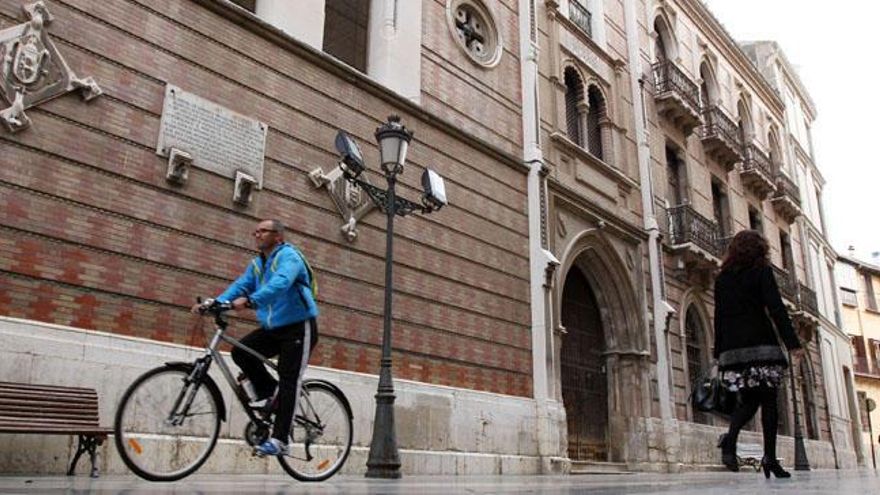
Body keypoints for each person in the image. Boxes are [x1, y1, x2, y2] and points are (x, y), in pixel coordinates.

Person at [193, 219, 318, 457]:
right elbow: (240, 286)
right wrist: (214, 303)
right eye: (256, 231)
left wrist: (252, 301)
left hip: (299, 327)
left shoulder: (289, 257)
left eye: (263, 231)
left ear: (278, 237)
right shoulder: (258, 264)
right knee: (241, 352)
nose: (257, 234)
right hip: (274, 328)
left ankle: (281, 440)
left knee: (288, 378)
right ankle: (272, 396)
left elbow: (281, 283)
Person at [713, 229, 804, 478]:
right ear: (760, 249)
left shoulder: (722, 279)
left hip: (733, 351)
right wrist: (792, 343)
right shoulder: (761, 271)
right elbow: (775, 307)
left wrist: (718, 352)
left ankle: (730, 440)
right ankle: (770, 459)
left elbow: (719, 317)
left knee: (750, 401)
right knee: (769, 402)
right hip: (760, 345)